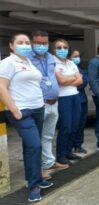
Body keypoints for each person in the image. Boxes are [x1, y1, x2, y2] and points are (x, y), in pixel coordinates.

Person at [0, 33, 53, 203]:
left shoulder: (28, 61)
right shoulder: (8, 63)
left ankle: (35, 177)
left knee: (30, 146)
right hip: (22, 111)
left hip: (38, 109)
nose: (25, 45)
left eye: (27, 43)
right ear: (11, 46)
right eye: (20, 42)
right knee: (35, 145)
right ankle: (33, 185)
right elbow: (1, 87)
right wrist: (15, 111)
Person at [29, 31, 69, 179]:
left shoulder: (51, 58)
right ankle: (36, 169)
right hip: (39, 104)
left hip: (54, 102)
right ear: (32, 43)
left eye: (44, 43)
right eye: (38, 43)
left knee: (48, 136)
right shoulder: (28, 59)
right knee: (35, 140)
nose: (41, 46)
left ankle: (49, 162)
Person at [53, 39, 83, 165]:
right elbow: (61, 81)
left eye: (65, 47)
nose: (62, 50)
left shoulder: (71, 63)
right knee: (66, 127)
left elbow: (80, 81)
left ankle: (69, 151)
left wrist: (67, 79)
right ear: (53, 50)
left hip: (75, 96)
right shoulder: (53, 62)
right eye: (59, 47)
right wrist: (73, 78)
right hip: (63, 98)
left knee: (75, 126)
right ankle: (61, 155)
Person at [69, 50, 88, 154]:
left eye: (78, 56)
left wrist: (71, 81)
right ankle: (70, 146)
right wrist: (76, 80)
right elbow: (62, 82)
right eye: (74, 56)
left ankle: (78, 145)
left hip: (82, 100)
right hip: (71, 100)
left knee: (81, 124)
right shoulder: (66, 69)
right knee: (72, 124)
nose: (77, 58)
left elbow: (84, 82)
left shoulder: (81, 70)